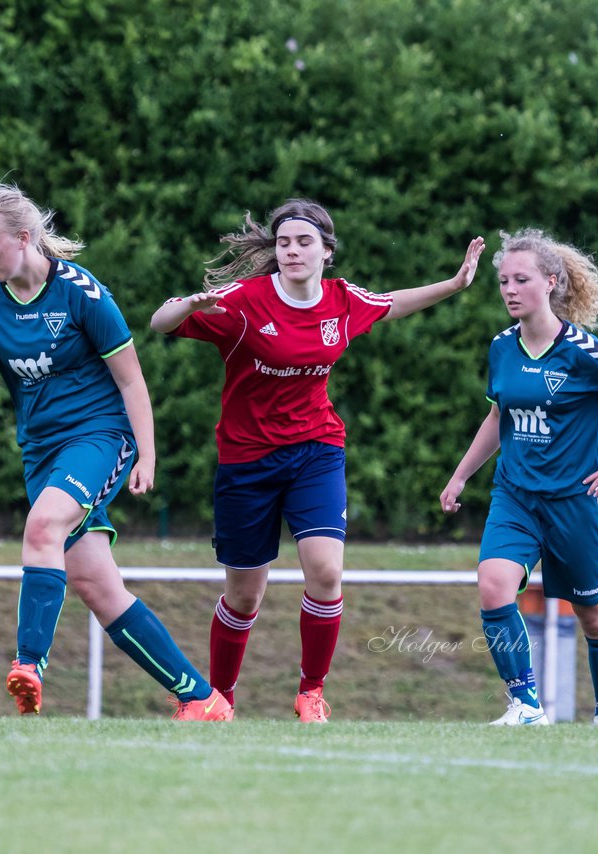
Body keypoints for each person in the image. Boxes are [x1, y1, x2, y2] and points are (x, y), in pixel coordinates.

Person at [150, 199, 484, 722]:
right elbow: (159, 322)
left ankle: (311, 694)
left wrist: (454, 284)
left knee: (326, 573)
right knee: (243, 594)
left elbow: (391, 302)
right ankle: (217, 700)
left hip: (316, 452)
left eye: (304, 242)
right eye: (283, 243)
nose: (292, 251)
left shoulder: (342, 300)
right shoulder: (243, 302)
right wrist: (189, 305)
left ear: (327, 252)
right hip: (247, 460)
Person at [0, 183, 232, 721]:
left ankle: (29, 665)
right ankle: (201, 698)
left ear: (24, 239)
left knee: (42, 527)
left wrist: (147, 454)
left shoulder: (82, 293)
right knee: (98, 586)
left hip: (101, 437)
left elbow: (132, 380)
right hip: (41, 452)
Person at [440, 228, 598, 725]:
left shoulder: (583, 351)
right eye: (503, 281)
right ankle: (525, 705)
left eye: (521, 279)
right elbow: (498, 417)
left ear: (550, 282)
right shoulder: (502, 348)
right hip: (516, 497)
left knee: (594, 617)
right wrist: (460, 477)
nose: (509, 289)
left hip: (575, 502)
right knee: (493, 585)